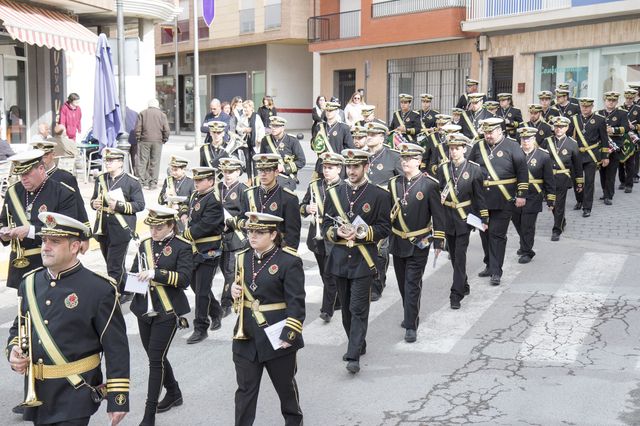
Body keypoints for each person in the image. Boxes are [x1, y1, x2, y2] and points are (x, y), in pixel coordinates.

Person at [6, 212, 129, 426]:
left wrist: (118, 398)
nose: (45, 247)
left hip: (76, 392)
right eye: (44, 240)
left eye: (55, 242)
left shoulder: (99, 289)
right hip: (38, 391)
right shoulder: (29, 283)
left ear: (74, 247)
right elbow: (19, 327)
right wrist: (14, 351)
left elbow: (115, 347)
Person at [230, 212, 305, 426]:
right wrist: (232, 291)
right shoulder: (242, 257)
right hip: (246, 335)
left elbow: (296, 302)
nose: (252, 236)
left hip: (276, 335)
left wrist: (290, 334)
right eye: (250, 231)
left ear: (273, 234)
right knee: (245, 391)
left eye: (259, 232)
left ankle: (294, 422)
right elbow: (236, 293)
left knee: (285, 389)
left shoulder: (288, 261)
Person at [322, 148, 391, 374]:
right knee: (346, 311)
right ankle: (358, 342)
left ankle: (353, 356)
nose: (351, 171)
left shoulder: (379, 195)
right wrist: (337, 232)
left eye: (356, 167)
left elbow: (384, 227)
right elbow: (325, 227)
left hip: (363, 260)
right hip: (340, 260)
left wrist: (363, 232)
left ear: (366, 167)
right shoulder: (335, 192)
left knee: (358, 308)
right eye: (348, 167)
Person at [129, 206, 193, 425]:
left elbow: (185, 279)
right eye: (151, 227)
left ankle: (149, 415)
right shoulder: (145, 244)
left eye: (158, 227)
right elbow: (134, 271)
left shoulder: (182, 246)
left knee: (155, 360)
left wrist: (156, 274)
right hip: (144, 309)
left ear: (170, 225)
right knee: (156, 355)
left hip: (167, 310)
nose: (153, 231)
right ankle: (174, 391)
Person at [388, 143, 444, 342]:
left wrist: (439, 241)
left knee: (412, 284)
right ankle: (409, 313)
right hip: (397, 241)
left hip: (420, 241)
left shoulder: (429, 184)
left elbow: (438, 215)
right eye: (403, 158)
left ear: (419, 161)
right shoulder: (394, 183)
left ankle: (411, 325)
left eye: (410, 159)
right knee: (403, 284)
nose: (405, 162)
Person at [0, 150, 77, 290]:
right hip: (20, 263)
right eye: (20, 174)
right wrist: (3, 232)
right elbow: (3, 220)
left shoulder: (62, 193)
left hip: (50, 261)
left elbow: (67, 229)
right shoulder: (13, 192)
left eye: (27, 173)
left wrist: (30, 231)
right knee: (24, 308)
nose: (23, 178)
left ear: (41, 169)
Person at [468, 118, 528, 286]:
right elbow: (470, 168)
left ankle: (496, 271)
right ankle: (489, 263)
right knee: (484, 234)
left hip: (504, 198)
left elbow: (522, 171)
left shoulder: (513, 146)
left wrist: (522, 194)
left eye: (491, 132)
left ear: (500, 131)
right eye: (485, 132)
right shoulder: (478, 146)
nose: (488, 136)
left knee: (497, 235)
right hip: (481, 200)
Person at [437, 134, 488, 309]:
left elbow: (479, 196)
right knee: (453, 256)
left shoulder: (474, 169)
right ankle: (463, 283)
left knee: (460, 257)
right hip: (448, 217)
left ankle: (456, 294)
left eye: (457, 148)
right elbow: (439, 195)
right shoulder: (443, 168)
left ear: (464, 149)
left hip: (464, 218)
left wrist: (484, 217)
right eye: (451, 148)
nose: (453, 152)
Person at [90, 148, 145, 303]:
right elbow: (94, 200)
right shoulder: (101, 179)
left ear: (121, 162)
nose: (107, 163)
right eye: (106, 160)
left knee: (114, 266)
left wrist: (119, 205)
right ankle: (130, 289)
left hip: (122, 228)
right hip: (103, 227)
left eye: (111, 160)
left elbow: (140, 205)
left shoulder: (131, 181)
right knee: (112, 262)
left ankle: (113, 296)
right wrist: (94, 203)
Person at [300, 152, 344, 322]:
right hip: (317, 237)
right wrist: (306, 209)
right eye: (324, 167)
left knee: (329, 274)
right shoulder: (314, 186)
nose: (326, 171)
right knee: (324, 272)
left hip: (335, 236)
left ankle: (327, 309)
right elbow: (301, 206)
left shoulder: (344, 188)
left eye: (330, 168)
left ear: (339, 169)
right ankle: (338, 300)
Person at [183, 167, 224, 344]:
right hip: (193, 250)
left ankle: (201, 327)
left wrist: (185, 234)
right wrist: (183, 214)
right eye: (195, 180)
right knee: (196, 287)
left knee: (201, 291)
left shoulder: (214, 200)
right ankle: (216, 310)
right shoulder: (195, 195)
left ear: (211, 181)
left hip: (209, 251)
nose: (196, 183)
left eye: (200, 180)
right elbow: (188, 210)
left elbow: (206, 225)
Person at [364, 122, 402, 301]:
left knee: (381, 249)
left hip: (383, 211)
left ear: (382, 137)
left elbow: (403, 184)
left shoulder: (393, 157)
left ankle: (377, 284)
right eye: (368, 133)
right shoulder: (361, 156)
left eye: (373, 134)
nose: (369, 136)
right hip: (361, 210)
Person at [30, 140, 90, 242]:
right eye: (38, 156)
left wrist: (85, 237)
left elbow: (79, 206)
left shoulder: (65, 178)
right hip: (34, 235)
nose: (41, 159)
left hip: (58, 233)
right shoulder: (30, 178)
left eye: (45, 155)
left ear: (53, 154)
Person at [511, 127, 555, 264]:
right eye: (523, 139)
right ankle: (524, 243)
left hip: (534, 195)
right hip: (517, 194)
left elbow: (549, 179)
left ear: (534, 139)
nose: (526, 142)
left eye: (528, 139)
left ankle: (527, 251)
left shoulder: (543, 155)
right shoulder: (514, 154)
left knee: (527, 225)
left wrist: (550, 198)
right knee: (517, 221)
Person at [241, 154, 301, 250]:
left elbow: (293, 234)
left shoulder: (289, 198)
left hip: (277, 249)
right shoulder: (249, 194)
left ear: (276, 172)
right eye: (260, 170)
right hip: (253, 249)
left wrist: (288, 258)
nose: (263, 174)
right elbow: (240, 219)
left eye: (268, 170)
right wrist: (245, 223)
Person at [540, 116, 583, 241]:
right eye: (557, 126)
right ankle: (562, 220)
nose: (559, 129)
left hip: (562, 177)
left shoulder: (572, 144)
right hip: (548, 178)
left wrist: (579, 182)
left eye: (562, 127)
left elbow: (578, 166)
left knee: (559, 204)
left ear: (567, 128)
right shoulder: (547, 141)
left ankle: (556, 229)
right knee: (551, 203)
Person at [216, 158, 248, 318]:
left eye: (231, 172)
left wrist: (231, 222)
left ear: (238, 172)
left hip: (235, 235)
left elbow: (246, 215)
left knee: (230, 271)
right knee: (223, 269)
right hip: (217, 235)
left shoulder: (243, 189)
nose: (227, 175)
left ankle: (226, 303)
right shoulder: (217, 187)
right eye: (225, 171)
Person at [571, 98, 609, 217]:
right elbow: (569, 137)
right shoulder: (575, 119)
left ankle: (587, 207)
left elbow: (604, 139)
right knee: (577, 180)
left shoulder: (600, 120)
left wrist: (605, 156)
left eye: (587, 106)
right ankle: (579, 200)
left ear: (592, 106)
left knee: (589, 182)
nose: (585, 108)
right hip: (577, 155)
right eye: (583, 106)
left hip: (591, 155)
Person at [598, 91, 631, 204]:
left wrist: (613, 130)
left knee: (611, 172)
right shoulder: (599, 113)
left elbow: (626, 128)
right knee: (602, 171)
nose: (611, 102)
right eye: (609, 100)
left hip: (615, 146)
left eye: (613, 100)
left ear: (617, 101)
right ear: (605, 101)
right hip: (602, 147)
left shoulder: (621, 113)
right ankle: (604, 192)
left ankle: (609, 195)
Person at [260, 116, 306, 191]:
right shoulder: (265, 140)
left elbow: (301, 161)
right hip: (269, 176)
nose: (273, 128)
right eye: (272, 126)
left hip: (286, 178)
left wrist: (283, 168)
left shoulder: (292, 141)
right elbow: (262, 159)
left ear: (283, 128)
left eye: (277, 126)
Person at [311, 101, 354, 178]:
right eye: (327, 110)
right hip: (323, 164)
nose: (328, 112)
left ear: (337, 111)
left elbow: (349, 148)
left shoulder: (343, 128)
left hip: (337, 164)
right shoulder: (319, 127)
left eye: (331, 110)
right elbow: (313, 146)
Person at [135, 98, 171, 190]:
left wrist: (139, 137)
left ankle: (141, 182)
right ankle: (153, 183)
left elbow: (138, 128)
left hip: (144, 140)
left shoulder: (142, 113)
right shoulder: (162, 115)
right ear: (158, 105)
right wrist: (164, 139)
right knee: (155, 162)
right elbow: (166, 129)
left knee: (142, 161)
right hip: (157, 141)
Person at [158, 155, 193, 232]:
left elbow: (193, 202)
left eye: (176, 170)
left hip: (183, 216)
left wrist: (184, 211)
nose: (173, 172)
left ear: (183, 169)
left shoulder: (191, 182)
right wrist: (165, 196)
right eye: (172, 170)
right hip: (169, 216)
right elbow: (160, 201)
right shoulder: (168, 181)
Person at [620, 89, 640, 191]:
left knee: (630, 162)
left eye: (631, 98)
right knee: (620, 161)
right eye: (627, 98)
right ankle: (622, 181)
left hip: (633, 138)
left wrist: (634, 126)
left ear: (634, 98)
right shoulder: (619, 108)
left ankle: (629, 184)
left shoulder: (638, 108)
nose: (629, 100)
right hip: (621, 138)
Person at [241, 100, 265, 180]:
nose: (245, 109)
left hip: (254, 142)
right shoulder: (243, 116)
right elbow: (238, 127)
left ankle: (256, 179)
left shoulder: (256, 116)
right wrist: (244, 129)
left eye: (246, 107)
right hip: (245, 142)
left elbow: (261, 129)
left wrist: (259, 138)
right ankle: (249, 179)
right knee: (247, 160)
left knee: (255, 160)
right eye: (244, 108)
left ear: (251, 108)